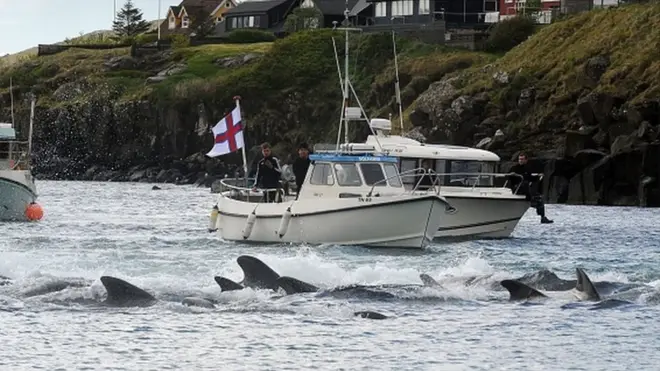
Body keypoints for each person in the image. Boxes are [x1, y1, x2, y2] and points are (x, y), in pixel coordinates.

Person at [508, 153, 553, 224]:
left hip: (525, 189)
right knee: (525, 185)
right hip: (517, 187)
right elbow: (509, 178)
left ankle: (543, 217)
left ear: (526, 160)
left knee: (539, 199)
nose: (520, 161)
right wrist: (513, 175)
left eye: (522, 159)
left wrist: (538, 176)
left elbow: (530, 178)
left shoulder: (527, 168)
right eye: (519, 159)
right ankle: (530, 199)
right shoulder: (514, 168)